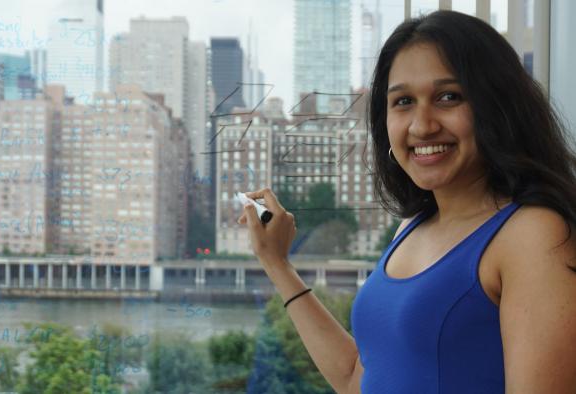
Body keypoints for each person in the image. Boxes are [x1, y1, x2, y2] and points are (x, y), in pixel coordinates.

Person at [238, 10, 576, 394]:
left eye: (448, 97)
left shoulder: (533, 234)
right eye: (402, 102)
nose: (421, 125)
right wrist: (277, 263)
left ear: (495, 104)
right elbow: (356, 378)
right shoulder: (411, 228)